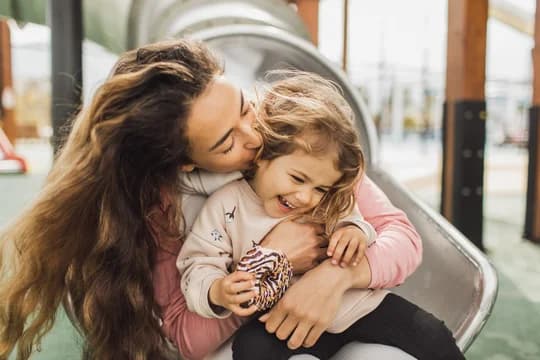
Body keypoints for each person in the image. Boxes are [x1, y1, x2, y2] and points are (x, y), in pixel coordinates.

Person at [0, 39, 434, 360]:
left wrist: (335, 277)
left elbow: (402, 236)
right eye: (227, 144)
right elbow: (185, 337)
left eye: (245, 107)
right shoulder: (166, 208)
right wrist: (271, 264)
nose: (255, 137)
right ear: (186, 163)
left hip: (333, 308)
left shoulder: (295, 140)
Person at [176, 72, 464, 360]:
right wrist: (216, 291)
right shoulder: (225, 206)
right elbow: (199, 262)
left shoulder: (325, 192)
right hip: (284, 317)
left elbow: (356, 218)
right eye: (297, 179)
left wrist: (356, 232)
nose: (306, 197)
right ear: (264, 155)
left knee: (432, 333)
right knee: (251, 349)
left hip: (359, 306)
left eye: (320, 188)